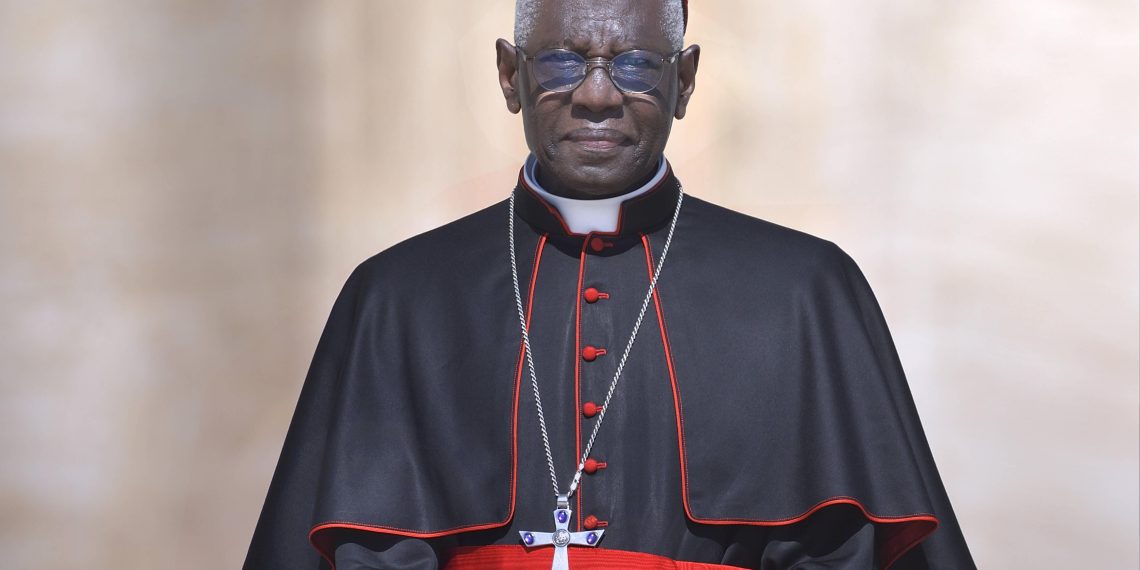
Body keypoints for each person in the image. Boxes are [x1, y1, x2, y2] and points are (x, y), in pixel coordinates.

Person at [245, 1, 976, 568]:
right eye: (562, 61)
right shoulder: (398, 299)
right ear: (510, 75)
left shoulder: (805, 292)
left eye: (635, 65)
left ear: (684, 81)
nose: (597, 95)